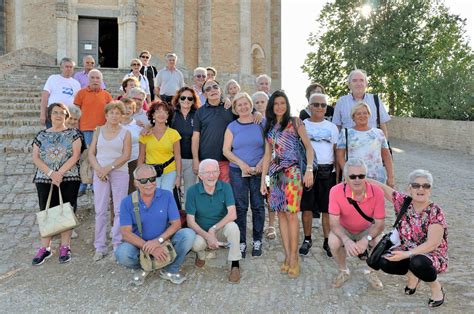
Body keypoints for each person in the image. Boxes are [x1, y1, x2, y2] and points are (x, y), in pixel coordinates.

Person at [369, 170, 448, 308]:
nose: (421, 189)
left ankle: (436, 288)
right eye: (416, 185)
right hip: (407, 249)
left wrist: (406, 254)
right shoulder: (403, 202)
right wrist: (356, 179)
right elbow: (380, 186)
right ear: (409, 188)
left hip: (430, 254)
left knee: (418, 262)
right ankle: (412, 275)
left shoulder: (435, 211)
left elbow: (433, 243)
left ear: (430, 190)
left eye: (426, 186)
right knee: (385, 262)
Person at [260, 90, 314, 279]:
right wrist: (263, 181)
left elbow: (309, 147)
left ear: (287, 104)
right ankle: (286, 256)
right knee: (281, 215)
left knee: (292, 215)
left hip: (292, 173)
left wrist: (309, 170)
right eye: (276, 103)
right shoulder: (268, 126)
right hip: (275, 175)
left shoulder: (295, 121)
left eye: (283, 102)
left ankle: (294, 258)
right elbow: (267, 156)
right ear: (271, 107)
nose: (280, 106)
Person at [115, 164, 196, 285]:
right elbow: (125, 233)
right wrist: (149, 247)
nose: (149, 183)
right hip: (140, 246)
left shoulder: (167, 195)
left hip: (165, 241)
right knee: (122, 253)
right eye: (143, 180)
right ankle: (143, 267)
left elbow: (176, 224)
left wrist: (158, 242)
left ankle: (170, 270)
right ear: (136, 183)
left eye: (152, 179)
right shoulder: (127, 202)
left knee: (188, 235)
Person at [31, 103, 83, 265]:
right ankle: (45, 248)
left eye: (62, 113)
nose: (58, 115)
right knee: (46, 211)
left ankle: (65, 246)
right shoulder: (40, 135)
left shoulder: (74, 134)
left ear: (66, 116)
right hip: (44, 179)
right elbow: (36, 158)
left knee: (65, 211)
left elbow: (75, 156)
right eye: (55, 112)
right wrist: (51, 173)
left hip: (69, 178)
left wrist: (59, 173)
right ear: (49, 115)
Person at [328, 158, 385, 290]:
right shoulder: (335, 191)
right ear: (345, 177)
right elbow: (334, 224)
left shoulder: (377, 192)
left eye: (361, 176)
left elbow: (380, 224)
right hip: (345, 228)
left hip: (367, 229)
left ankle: (370, 271)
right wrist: (346, 240)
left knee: (380, 241)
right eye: (353, 176)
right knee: (333, 242)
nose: (357, 180)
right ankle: (343, 270)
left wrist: (366, 239)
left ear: (366, 176)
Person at [186, 159, 242, 284]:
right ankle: (201, 255)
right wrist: (207, 235)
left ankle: (235, 265)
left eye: (214, 172)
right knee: (195, 244)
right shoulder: (192, 191)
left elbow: (232, 214)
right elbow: (190, 221)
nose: (211, 176)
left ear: (219, 173)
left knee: (233, 228)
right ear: (200, 175)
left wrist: (214, 229)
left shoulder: (225, 187)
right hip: (202, 232)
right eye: (207, 172)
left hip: (220, 229)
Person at [223, 92, 265, 258]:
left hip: (259, 171)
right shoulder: (232, 127)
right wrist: (242, 164)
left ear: (251, 105)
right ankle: (241, 242)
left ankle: (257, 240)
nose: (243, 107)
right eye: (239, 105)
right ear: (235, 108)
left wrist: (262, 164)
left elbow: (270, 146)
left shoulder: (261, 122)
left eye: (245, 103)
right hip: (238, 171)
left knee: (258, 206)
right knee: (240, 207)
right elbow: (226, 150)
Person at [88, 101, 131, 261]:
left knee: (119, 210)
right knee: (100, 210)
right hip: (100, 173)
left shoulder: (125, 132)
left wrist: (109, 168)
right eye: (111, 113)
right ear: (106, 115)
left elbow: (126, 155)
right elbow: (91, 153)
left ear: (121, 116)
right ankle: (99, 246)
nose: (114, 116)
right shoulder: (98, 131)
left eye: (118, 113)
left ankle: (117, 245)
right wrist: (99, 169)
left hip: (119, 172)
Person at [299, 93, 339, 257]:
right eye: (316, 105)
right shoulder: (302, 125)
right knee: (307, 208)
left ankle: (327, 240)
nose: (320, 108)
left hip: (327, 171)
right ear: (309, 107)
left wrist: (337, 175)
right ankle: (307, 239)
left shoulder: (332, 127)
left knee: (327, 209)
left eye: (323, 105)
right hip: (308, 171)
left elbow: (337, 152)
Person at [336, 102, 394, 187]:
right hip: (354, 178)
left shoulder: (379, 133)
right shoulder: (345, 133)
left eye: (365, 113)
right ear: (353, 117)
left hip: (376, 178)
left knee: (376, 200)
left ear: (369, 115)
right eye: (358, 113)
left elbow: (386, 155)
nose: (362, 116)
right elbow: (339, 156)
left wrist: (391, 177)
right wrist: (347, 173)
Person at [192, 79, 235, 183]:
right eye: (208, 89)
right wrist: (195, 160)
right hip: (205, 160)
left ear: (220, 90)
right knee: (207, 194)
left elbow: (246, 109)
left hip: (227, 160)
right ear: (205, 94)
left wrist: (256, 113)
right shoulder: (200, 112)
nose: (212, 90)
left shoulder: (230, 108)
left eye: (215, 87)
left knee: (224, 193)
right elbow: (195, 138)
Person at [138, 101, 181, 192]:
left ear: (168, 116)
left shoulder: (174, 133)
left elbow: (177, 156)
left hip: (170, 170)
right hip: (151, 172)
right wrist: (139, 175)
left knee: (166, 193)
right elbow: (141, 157)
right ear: (153, 115)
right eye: (158, 111)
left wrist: (178, 176)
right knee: (154, 195)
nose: (161, 114)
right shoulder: (145, 134)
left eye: (165, 112)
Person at [333, 69, 390, 137]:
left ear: (366, 84)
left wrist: (385, 145)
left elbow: (382, 125)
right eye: (354, 80)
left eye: (361, 80)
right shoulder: (341, 102)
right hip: (349, 145)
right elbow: (337, 127)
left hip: (373, 145)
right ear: (349, 85)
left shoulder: (375, 100)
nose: (358, 83)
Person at [251, 91, 276, 240]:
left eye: (263, 102)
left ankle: (271, 225)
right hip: (257, 166)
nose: (260, 105)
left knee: (271, 195)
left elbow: (273, 146)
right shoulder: (252, 119)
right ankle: (258, 225)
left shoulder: (273, 121)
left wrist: (263, 162)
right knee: (259, 196)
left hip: (271, 167)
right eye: (257, 102)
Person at [170, 87, 201, 201]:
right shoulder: (171, 114)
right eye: (183, 98)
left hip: (191, 159)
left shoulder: (198, 114)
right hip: (173, 160)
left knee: (190, 190)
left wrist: (196, 160)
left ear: (193, 100)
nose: (186, 100)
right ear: (178, 99)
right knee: (173, 189)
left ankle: (189, 216)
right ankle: (174, 217)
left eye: (189, 98)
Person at [74, 69, 113, 146]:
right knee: (87, 155)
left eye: (97, 78)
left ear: (101, 80)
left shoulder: (107, 95)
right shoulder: (81, 93)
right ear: (88, 79)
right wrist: (76, 128)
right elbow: (75, 112)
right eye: (92, 78)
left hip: (103, 130)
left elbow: (111, 112)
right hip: (86, 130)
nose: (95, 80)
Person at [40, 57, 81, 128]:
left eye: (71, 67)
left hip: (68, 117)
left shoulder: (76, 83)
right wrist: (42, 114)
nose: (69, 69)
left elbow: (78, 103)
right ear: (61, 68)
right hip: (53, 114)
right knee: (52, 137)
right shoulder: (52, 78)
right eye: (66, 66)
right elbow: (45, 97)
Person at [120, 98, 143, 193]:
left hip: (133, 160)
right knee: (118, 189)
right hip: (118, 161)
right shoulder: (114, 125)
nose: (127, 110)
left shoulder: (138, 127)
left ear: (134, 110)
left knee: (132, 189)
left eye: (130, 108)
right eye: (125, 108)